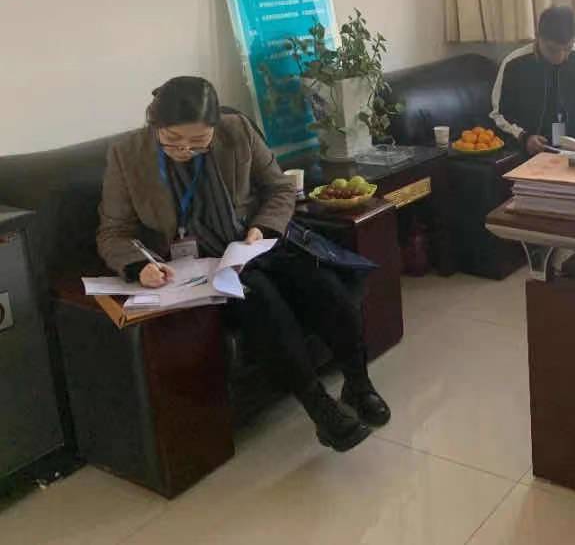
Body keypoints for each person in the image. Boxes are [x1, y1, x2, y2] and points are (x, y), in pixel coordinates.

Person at [97, 76, 390, 452]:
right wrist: (139, 265)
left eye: (198, 140)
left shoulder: (237, 132)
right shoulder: (126, 155)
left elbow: (279, 187)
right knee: (264, 303)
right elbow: (113, 232)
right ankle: (321, 410)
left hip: (256, 244)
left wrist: (262, 228)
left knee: (326, 286)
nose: (185, 149)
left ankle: (358, 384)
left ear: (215, 125)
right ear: (154, 123)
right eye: (172, 139)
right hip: (205, 267)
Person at [491, 6, 575, 155]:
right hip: (532, 149)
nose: (560, 57)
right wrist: (524, 138)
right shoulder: (514, 64)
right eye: (552, 50)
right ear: (538, 37)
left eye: (568, 48)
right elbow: (499, 115)